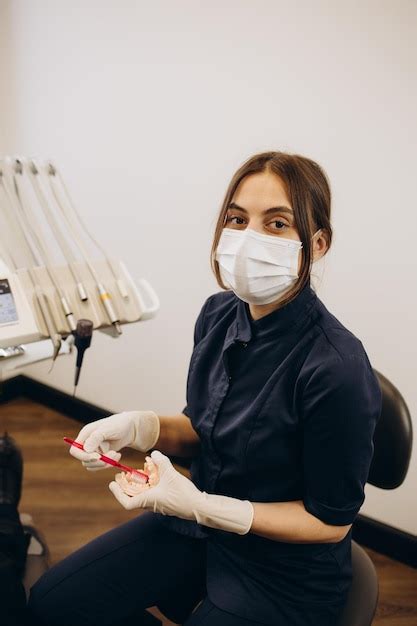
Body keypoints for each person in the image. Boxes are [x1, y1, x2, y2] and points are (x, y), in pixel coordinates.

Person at [28, 151, 382, 626]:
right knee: (54, 604)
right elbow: (204, 426)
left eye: (277, 224)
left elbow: (329, 522)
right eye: (237, 219)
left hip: (282, 571)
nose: (249, 237)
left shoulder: (336, 367)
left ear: (317, 244)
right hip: (197, 528)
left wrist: (206, 505)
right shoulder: (218, 315)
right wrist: (139, 428)